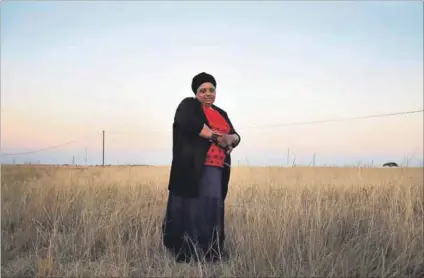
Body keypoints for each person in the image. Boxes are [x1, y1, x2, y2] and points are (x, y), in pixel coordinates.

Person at [161, 72, 241, 263]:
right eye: (202, 90)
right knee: (191, 209)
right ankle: (187, 253)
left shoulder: (221, 113)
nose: (208, 94)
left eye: (211, 90)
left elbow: (235, 134)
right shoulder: (188, 105)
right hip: (193, 168)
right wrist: (217, 138)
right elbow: (192, 124)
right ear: (195, 92)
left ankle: (211, 252)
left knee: (212, 208)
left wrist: (232, 139)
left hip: (217, 168)